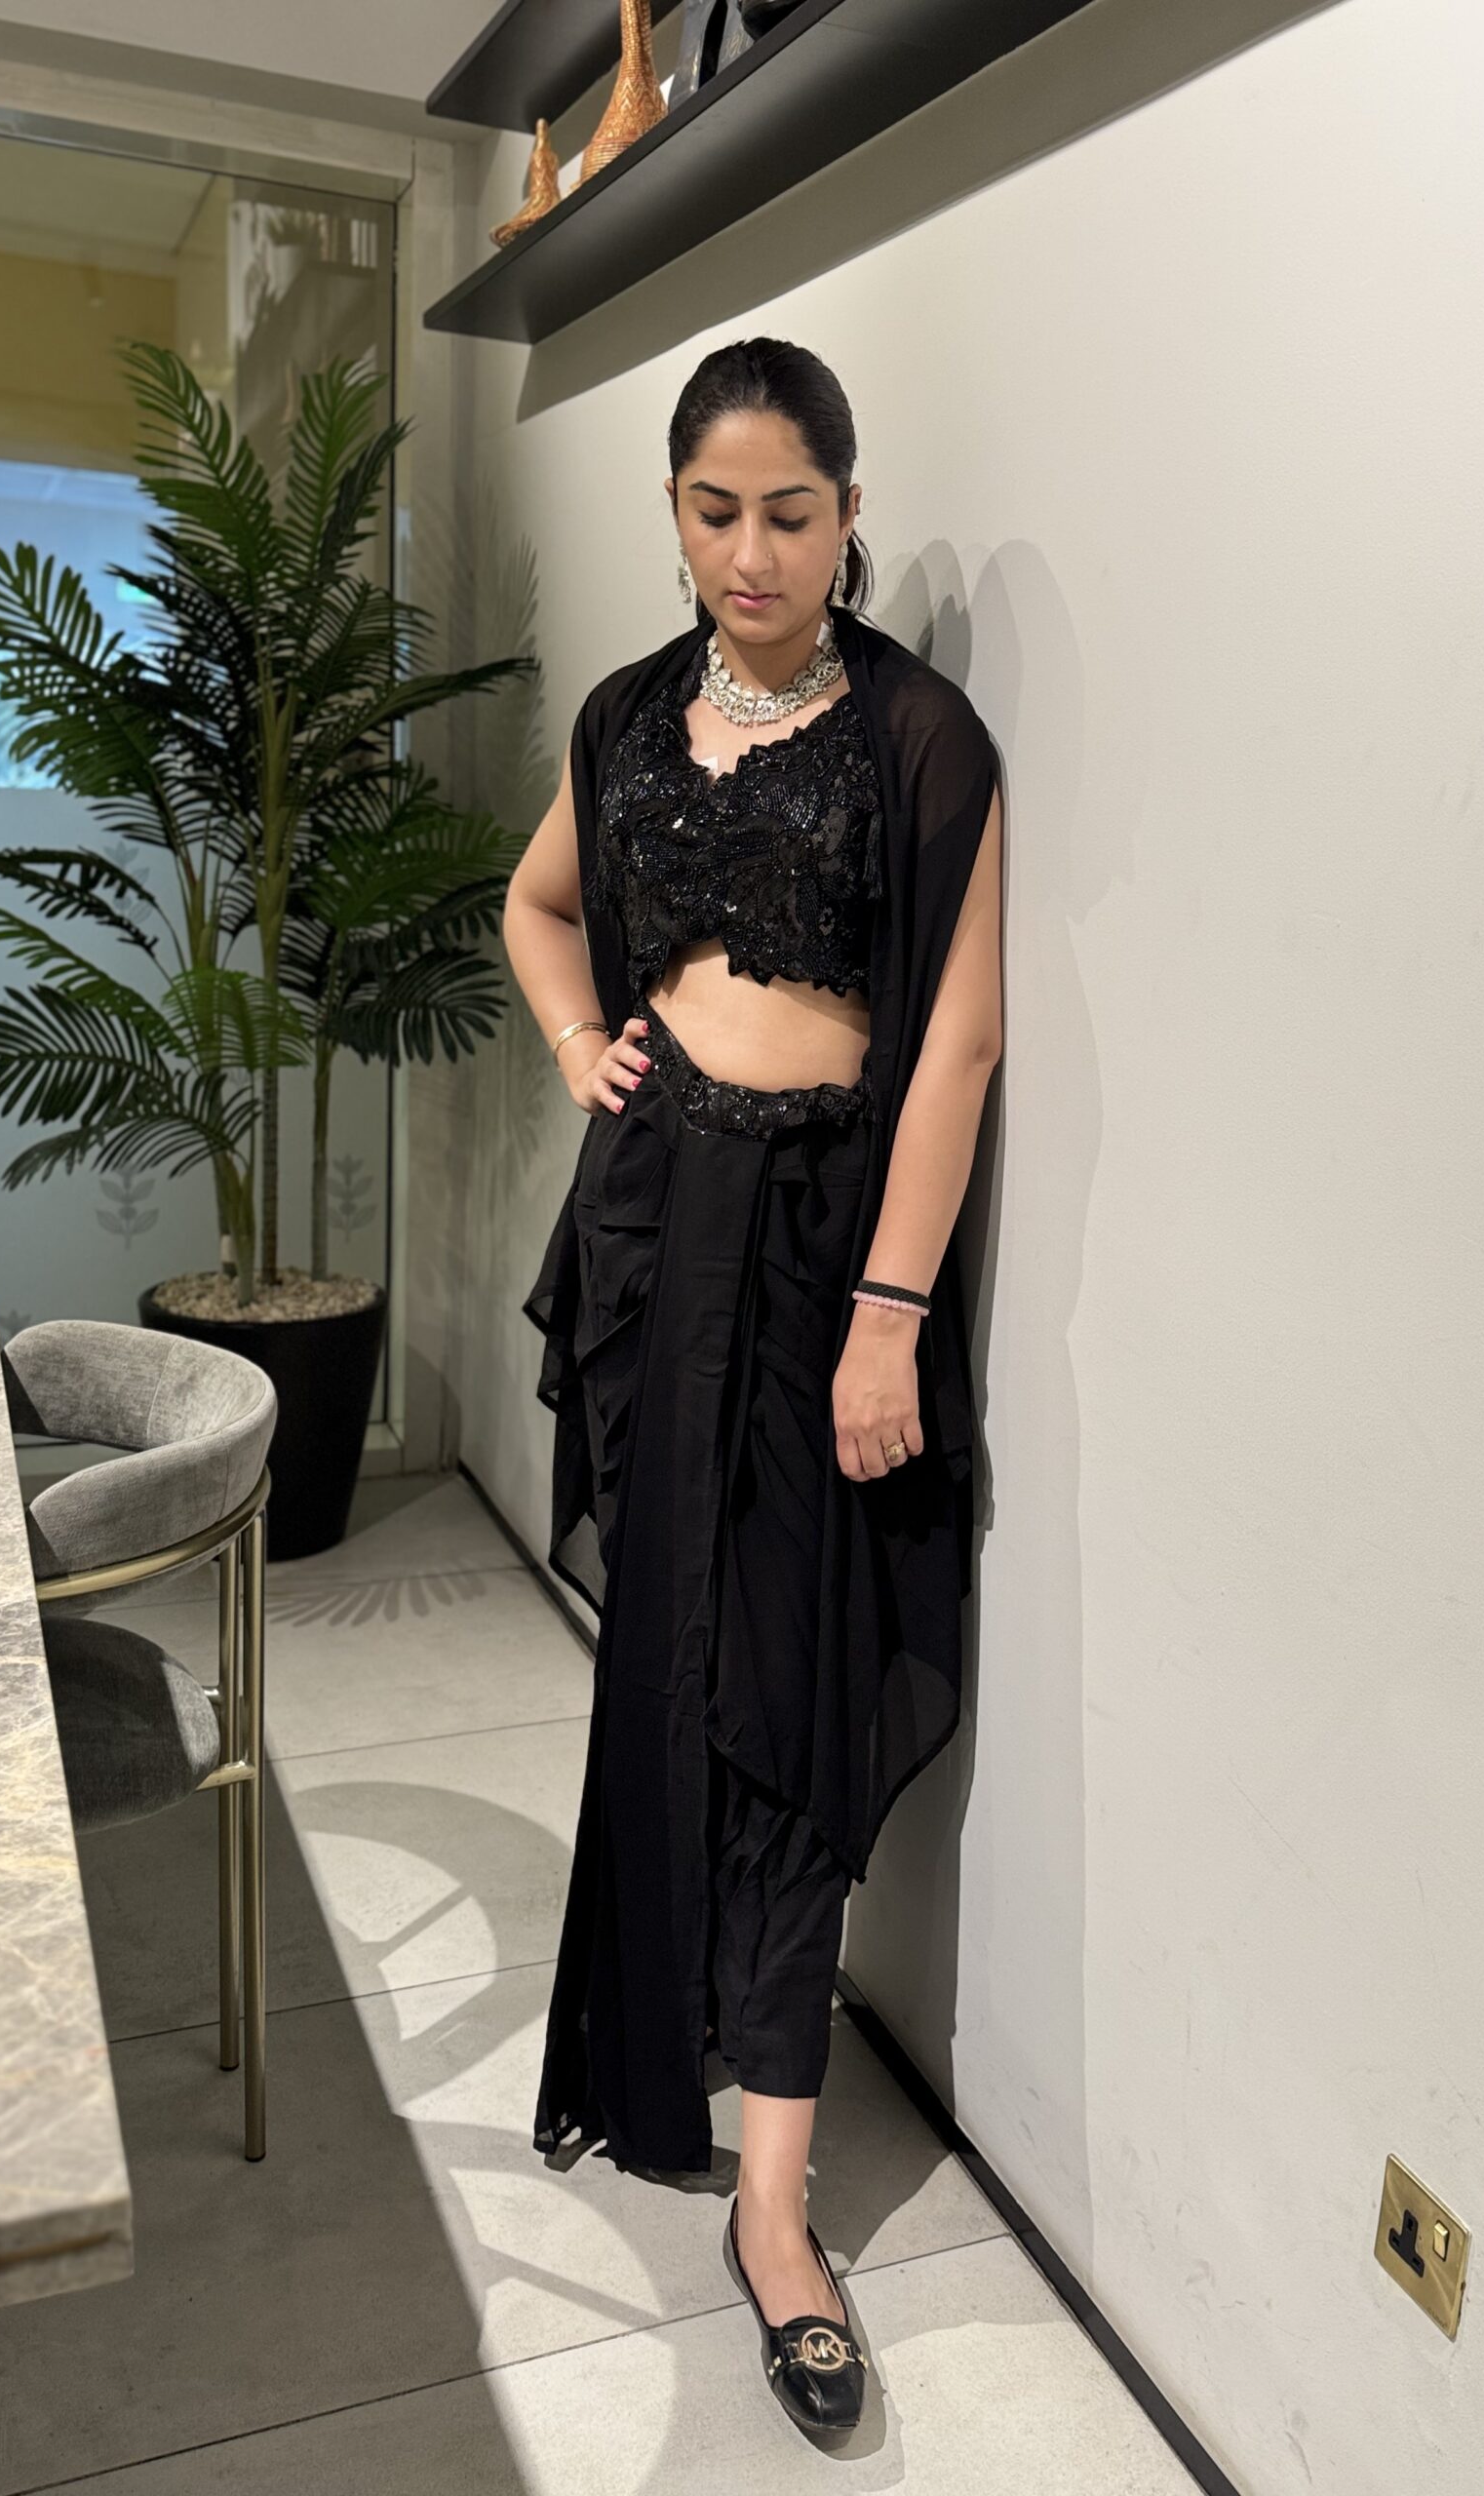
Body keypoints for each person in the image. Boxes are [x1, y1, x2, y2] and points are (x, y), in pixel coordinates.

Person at [501, 335, 1004, 2437]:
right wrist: (578, 1047)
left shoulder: (918, 732)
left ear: (850, 513)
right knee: (666, 1666)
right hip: (650, 1227)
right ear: (678, 513)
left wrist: (891, 1308)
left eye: (792, 512)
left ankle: (777, 2210)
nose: (752, 551)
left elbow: (956, 1039)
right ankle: (654, 2050)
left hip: (818, 1258)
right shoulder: (631, 714)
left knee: (792, 1702)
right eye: (716, 512)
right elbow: (539, 904)